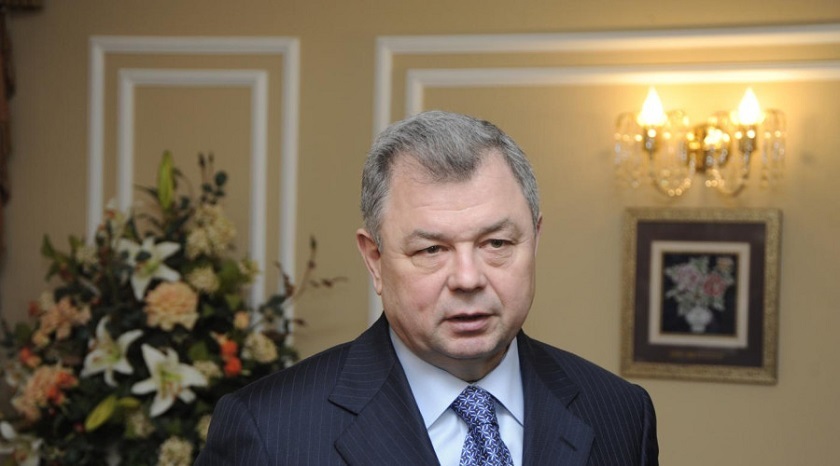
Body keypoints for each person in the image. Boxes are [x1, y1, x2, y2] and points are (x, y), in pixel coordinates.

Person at [195, 110, 658, 465]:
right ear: (374, 259)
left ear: (534, 240)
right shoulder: (268, 430)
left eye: (496, 243)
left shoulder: (620, 413)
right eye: (432, 250)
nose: (468, 279)